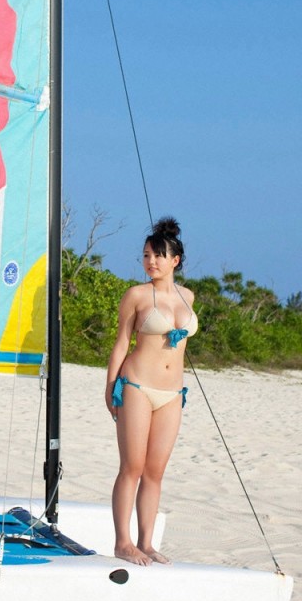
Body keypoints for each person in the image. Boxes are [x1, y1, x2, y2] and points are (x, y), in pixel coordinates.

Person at [105, 217, 197, 566]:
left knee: (155, 471)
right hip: (136, 386)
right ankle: (123, 543)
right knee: (132, 465)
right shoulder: (137, 295)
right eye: (146, 255)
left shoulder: (188, 296)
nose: (151, 261)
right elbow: (121, 343)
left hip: (172, 393)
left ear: (175, 260)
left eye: (158, 255)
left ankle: (146, 542)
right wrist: (110, 387)